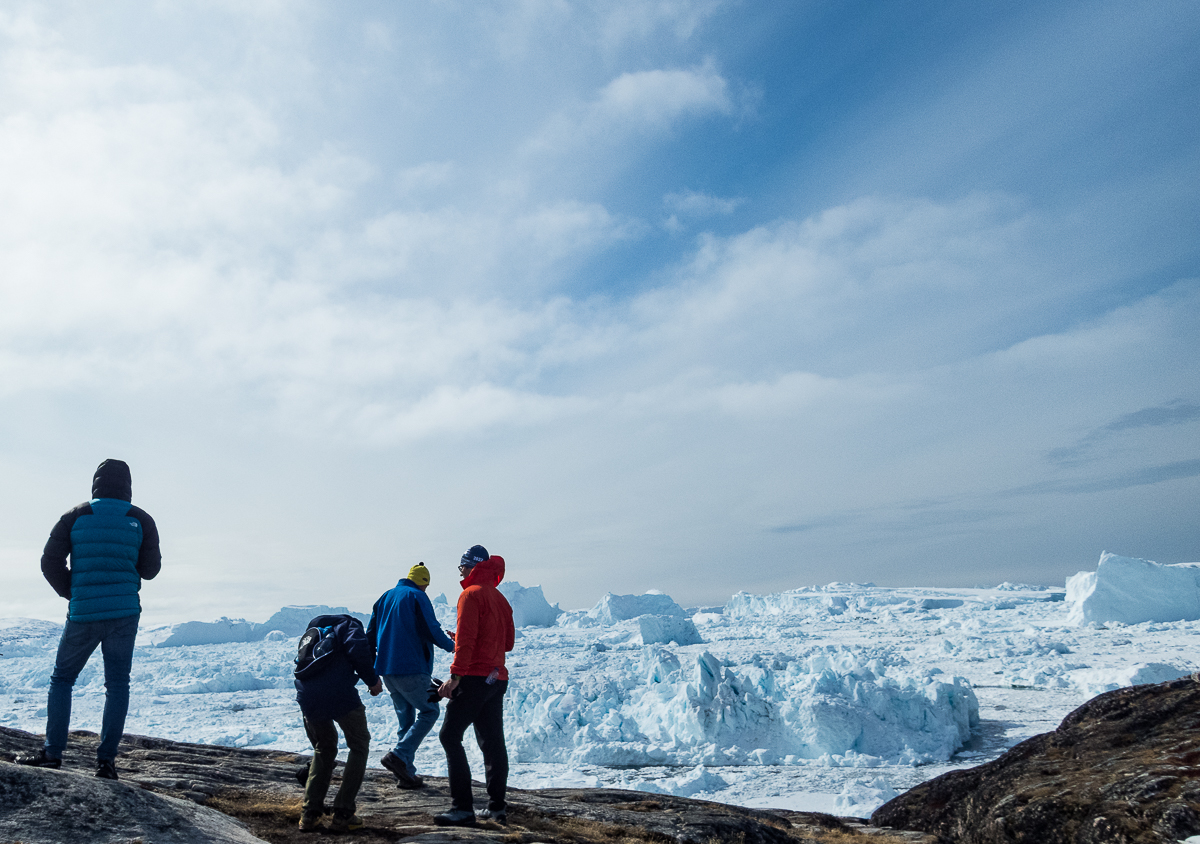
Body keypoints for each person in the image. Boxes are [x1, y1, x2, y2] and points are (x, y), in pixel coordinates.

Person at [16, 459, 161, 780]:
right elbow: (151, 571)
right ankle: (106, 763)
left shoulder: (75, 516)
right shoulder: (141, 519)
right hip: (124, 614)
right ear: (128, 485)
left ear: (95, 483)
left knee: (62, 680)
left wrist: (73, 592)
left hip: (83, 612)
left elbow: (49, 561)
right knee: (118, 684)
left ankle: (52, 753)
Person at [434, 545, 516, 827]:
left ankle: (462, 809)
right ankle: (497, 808)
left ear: (470, 567)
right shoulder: (501, 599)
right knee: (493, 743)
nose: (460, 574)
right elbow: (507, 644)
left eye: (461, 568)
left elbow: (467, 643)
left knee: (449, 735)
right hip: (497, 679)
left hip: (474, 677)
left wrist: (454, 678)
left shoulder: (469, 595)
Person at [366, 562, 455, 788]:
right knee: (429, 710)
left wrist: (371, 670)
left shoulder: (385, 597)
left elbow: (370, 634)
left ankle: (405, 775)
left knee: (405, 720)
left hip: (387, 670)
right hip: (411, 667)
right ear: (424, 583)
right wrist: (454, 646)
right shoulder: (417, 596)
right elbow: (431, 628)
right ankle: (399, 755)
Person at [294, 613, 384, 833]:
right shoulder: (349, 624)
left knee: (323, 747)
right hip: (339, 693)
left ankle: (309, 814)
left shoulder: (313, 631)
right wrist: (372, 681)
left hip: (307, 695)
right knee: (359, 744)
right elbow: (358, 651)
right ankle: (343, 813)